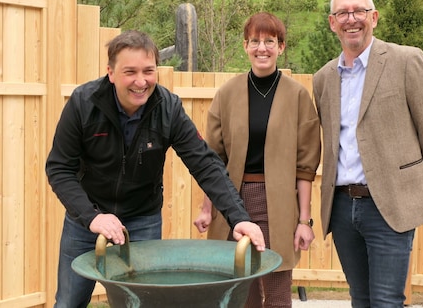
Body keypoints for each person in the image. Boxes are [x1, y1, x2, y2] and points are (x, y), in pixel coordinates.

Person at [45, 30, 266, 308]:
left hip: (142, 220)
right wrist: (92, 217)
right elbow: (59, 168)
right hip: (86, 221)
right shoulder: (83, 104)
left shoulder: (168, 108)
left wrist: (239, 217)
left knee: (144, 304)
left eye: (149, 71)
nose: (141, 81)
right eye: (130, 72)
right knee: (68, 302)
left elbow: (206, 164)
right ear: (110, 73)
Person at [312, 0, 423, 307]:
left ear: (374, 17)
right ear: (332, 23)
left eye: (358, 11)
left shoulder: (406, 60)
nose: (351, 19)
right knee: (360, 299)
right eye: (343, 13)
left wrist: (408, 186)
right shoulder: (323, 78)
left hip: (389, 207)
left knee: (386, 301)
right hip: (342, 209)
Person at [193, 12, 321, 308]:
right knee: (241, 292)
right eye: (255, 41)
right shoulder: (227, 94)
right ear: (245, 46)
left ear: (281, 47)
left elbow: (306, 167)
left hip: (277, 204)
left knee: (277, 293)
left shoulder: (298, 96)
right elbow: (213, 160)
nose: (262, 48)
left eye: (270, 41)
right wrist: (206, 208)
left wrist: (304, 221)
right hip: (232, 201)